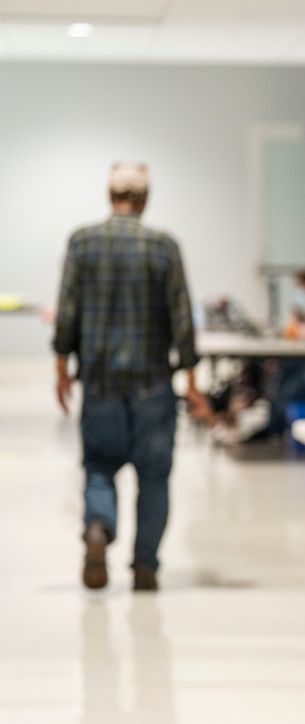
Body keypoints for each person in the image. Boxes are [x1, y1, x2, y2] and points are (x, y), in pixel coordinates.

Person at [53, 162, 202, 592]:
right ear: (145, 199)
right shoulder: (163, 246)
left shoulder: (82, 242)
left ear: (109, 195)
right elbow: (181, 316)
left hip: (99, 383)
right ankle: (145, 567)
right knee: (154, 478)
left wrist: (62, 369)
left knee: (99, 467)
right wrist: (192, 381)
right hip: (153, 384)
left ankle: (99, 527)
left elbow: (67, 311)